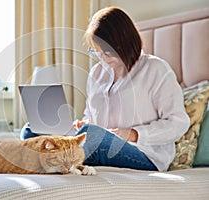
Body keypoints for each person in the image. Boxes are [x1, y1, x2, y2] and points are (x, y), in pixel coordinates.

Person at [20, 6, 190, 172]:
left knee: (92, 135)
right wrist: (83, 124)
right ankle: (53, 160)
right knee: (32, 130)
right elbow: (91, 117)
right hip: (100, 143)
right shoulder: (97, 73)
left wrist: (133, 134)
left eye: (107, 51)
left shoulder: (155, 69)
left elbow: (178, 123)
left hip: (145, 154)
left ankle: (47, 161)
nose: (102, 58)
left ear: (124, 42)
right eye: (97, 52)